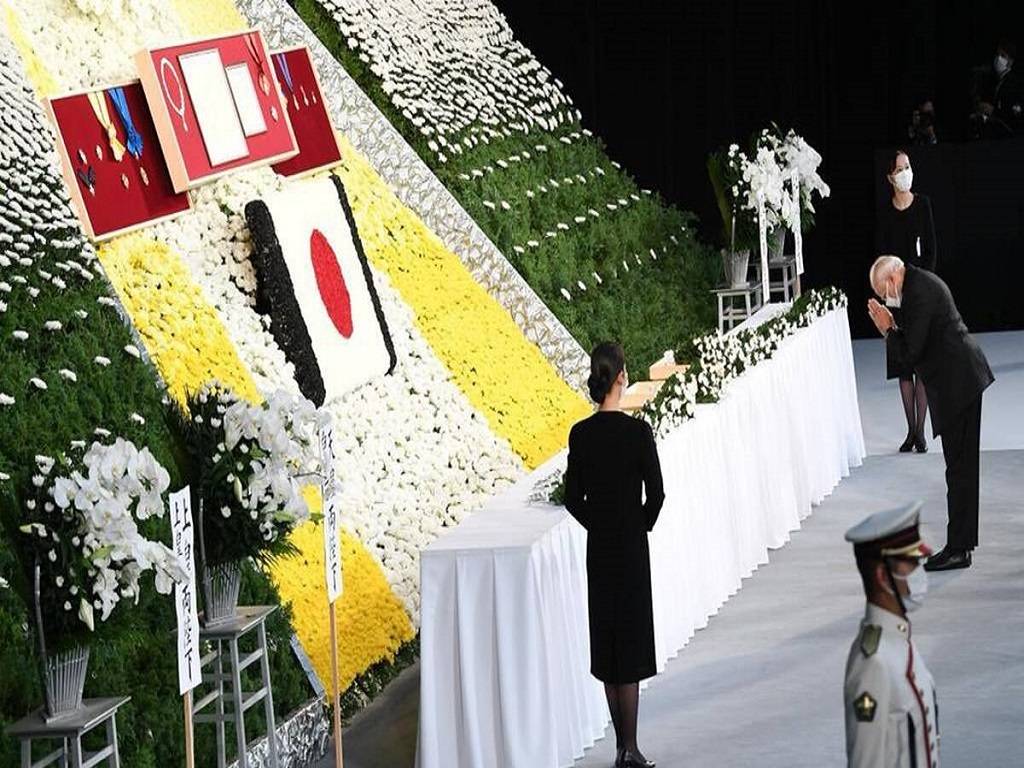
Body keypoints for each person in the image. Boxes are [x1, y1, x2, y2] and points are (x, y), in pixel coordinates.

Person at [565, 341, 665, 768]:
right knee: (632, 642)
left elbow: (573, 499)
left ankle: (622, 747)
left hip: (600, 549)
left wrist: (599, 525)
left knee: (608, 645)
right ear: (622, 377)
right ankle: (631, 748)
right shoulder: (637, 433)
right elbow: (657, 494)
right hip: (631, 549)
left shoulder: (581, 435)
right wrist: (638, 524)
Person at [867, 256, 995, 571]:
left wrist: (888, 329)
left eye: (884, 292)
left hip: (959, 383)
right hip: (957, 381)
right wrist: (894, 328)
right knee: (960, 469)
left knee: (960, 470)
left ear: (893, 278)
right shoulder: (916, 286)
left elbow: (911, 352)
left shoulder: (919, 291)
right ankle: (960, 545)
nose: (887, 299)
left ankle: (959, 548)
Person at [843, 501, 939, 767]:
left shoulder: (899, 642)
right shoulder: (873, 663)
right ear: (883, 576)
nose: (920, 571)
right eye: (912, 563)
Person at [875, 150, 937, 454]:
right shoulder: (886, 213)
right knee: (903, 365)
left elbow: (931, 251)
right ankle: (910, 431)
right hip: (894, 297)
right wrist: (891, 294)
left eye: (908, 167)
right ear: (890, 177)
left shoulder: (923, 205)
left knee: (922, 365)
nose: (905, 173)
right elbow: (883, 258)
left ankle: (921, 432)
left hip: (921, 293)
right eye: (899, 169)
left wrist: (921, 286)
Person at [971, 39, 1024, 138]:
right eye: (997, 55)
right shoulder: (995, 82)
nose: (998, 59)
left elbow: (1016, 114)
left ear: (1011, 61)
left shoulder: (1015, 84)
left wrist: (993, 111)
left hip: (1012, 138)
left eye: (1003, 56)